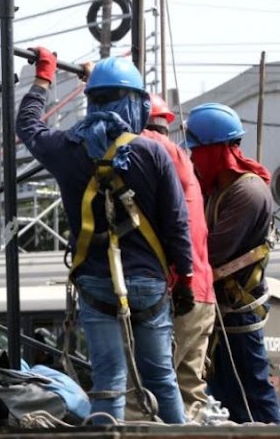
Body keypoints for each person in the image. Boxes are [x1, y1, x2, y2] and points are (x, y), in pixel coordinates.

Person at [16, 49, 191, 424]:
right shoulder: (153, 153)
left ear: (90, 102)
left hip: (96, 282)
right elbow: (177, 223)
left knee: (109, 382)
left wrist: (43, 79)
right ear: (137, 103)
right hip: (148, 280)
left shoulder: (66, 148)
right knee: (161, 378)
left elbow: (28, 126)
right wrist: (186, 277)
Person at [185, 103, 280, 424]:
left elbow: (212, 252)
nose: (193, 158)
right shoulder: (216, 188)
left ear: (215, 150)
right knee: (222, 393)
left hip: (239, 309)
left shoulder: (248, 192)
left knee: (253, 391)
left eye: (197, 151)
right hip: (220, 311)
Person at [123, 94, 215, 421]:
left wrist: (99, 84)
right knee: (190, 394)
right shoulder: (181, 157)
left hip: (177, 294)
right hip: (204, 294)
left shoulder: (150, 147)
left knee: (141, 395)